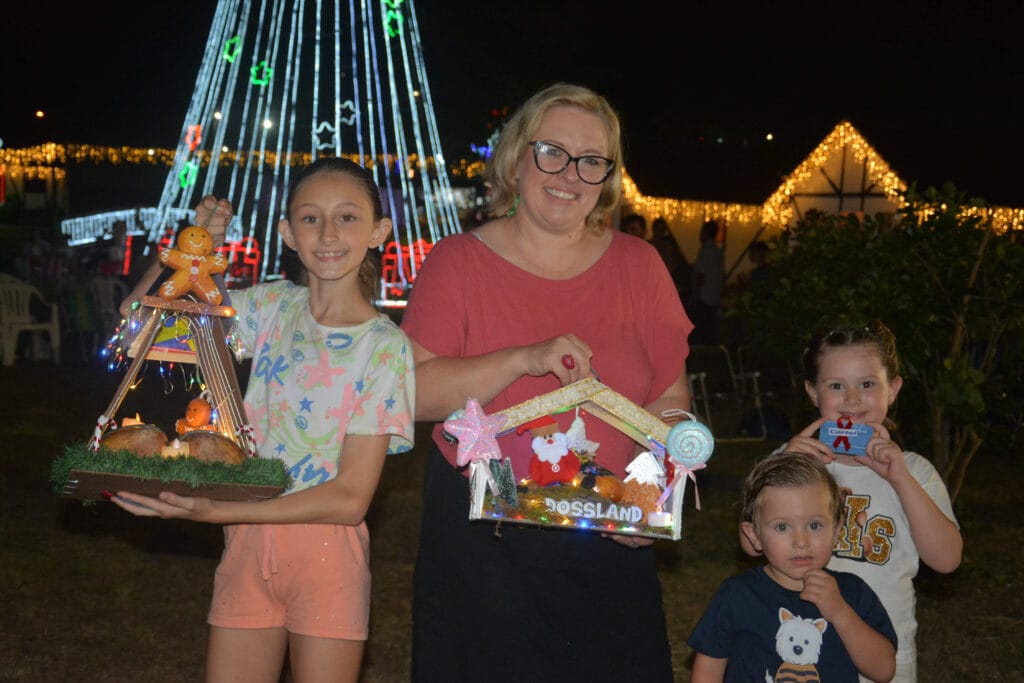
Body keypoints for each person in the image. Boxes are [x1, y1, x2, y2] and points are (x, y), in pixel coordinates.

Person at [400, 82, 694, 682]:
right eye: (552, 152)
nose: (569, 174)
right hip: (484, 548)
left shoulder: (640, 266)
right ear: (516, 158)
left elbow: (670, 401)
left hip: (610, 533)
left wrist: (654, 488)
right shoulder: (457, 261)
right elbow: (413, 392)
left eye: (591, 160)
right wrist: (523, 358)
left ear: (607, 176)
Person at [111, 157, 416, 683]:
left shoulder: (385, 347)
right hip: (245, 545)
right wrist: (188, 254)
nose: (328, 234)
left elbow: (350, 499)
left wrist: (212, 510)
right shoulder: (272, 306)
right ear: (288, 233)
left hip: (327, 557)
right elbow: (139, 328)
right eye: (310, 218)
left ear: (378, 231)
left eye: (347, 217)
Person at [756, 320, 962, 682]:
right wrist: (783, 468)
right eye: (836, 386)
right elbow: (751, 542)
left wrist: (900, 479)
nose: (852, 399)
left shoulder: (914, 471)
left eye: (867, 384)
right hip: (802, 652)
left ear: (893, 389)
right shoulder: (792, 462)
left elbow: (946, 560)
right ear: (813, 392)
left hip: (884, 654)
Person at [689, 452, 897, 682]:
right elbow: (708, 669)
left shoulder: (852, 592)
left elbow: (884, 671)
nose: (801, 541)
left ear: (837, 530)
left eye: (815, 525)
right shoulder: (737, 595)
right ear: (754, 535)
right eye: (782, 527)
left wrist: (840, 612)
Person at [688, 219, 724, 345]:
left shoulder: (706, 251)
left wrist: (694, 296)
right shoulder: (718, 252)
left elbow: (701, 276)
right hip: (714, 297)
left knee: (700, 330)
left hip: (704, 298)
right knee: (709, 329)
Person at [649, 216, 691, 302]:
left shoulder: (668, 246)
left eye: (662, 229)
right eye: (658, 229)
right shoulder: (648, 245)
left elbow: (671, 266)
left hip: (663, 284)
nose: (660, 231)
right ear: (654, 229)